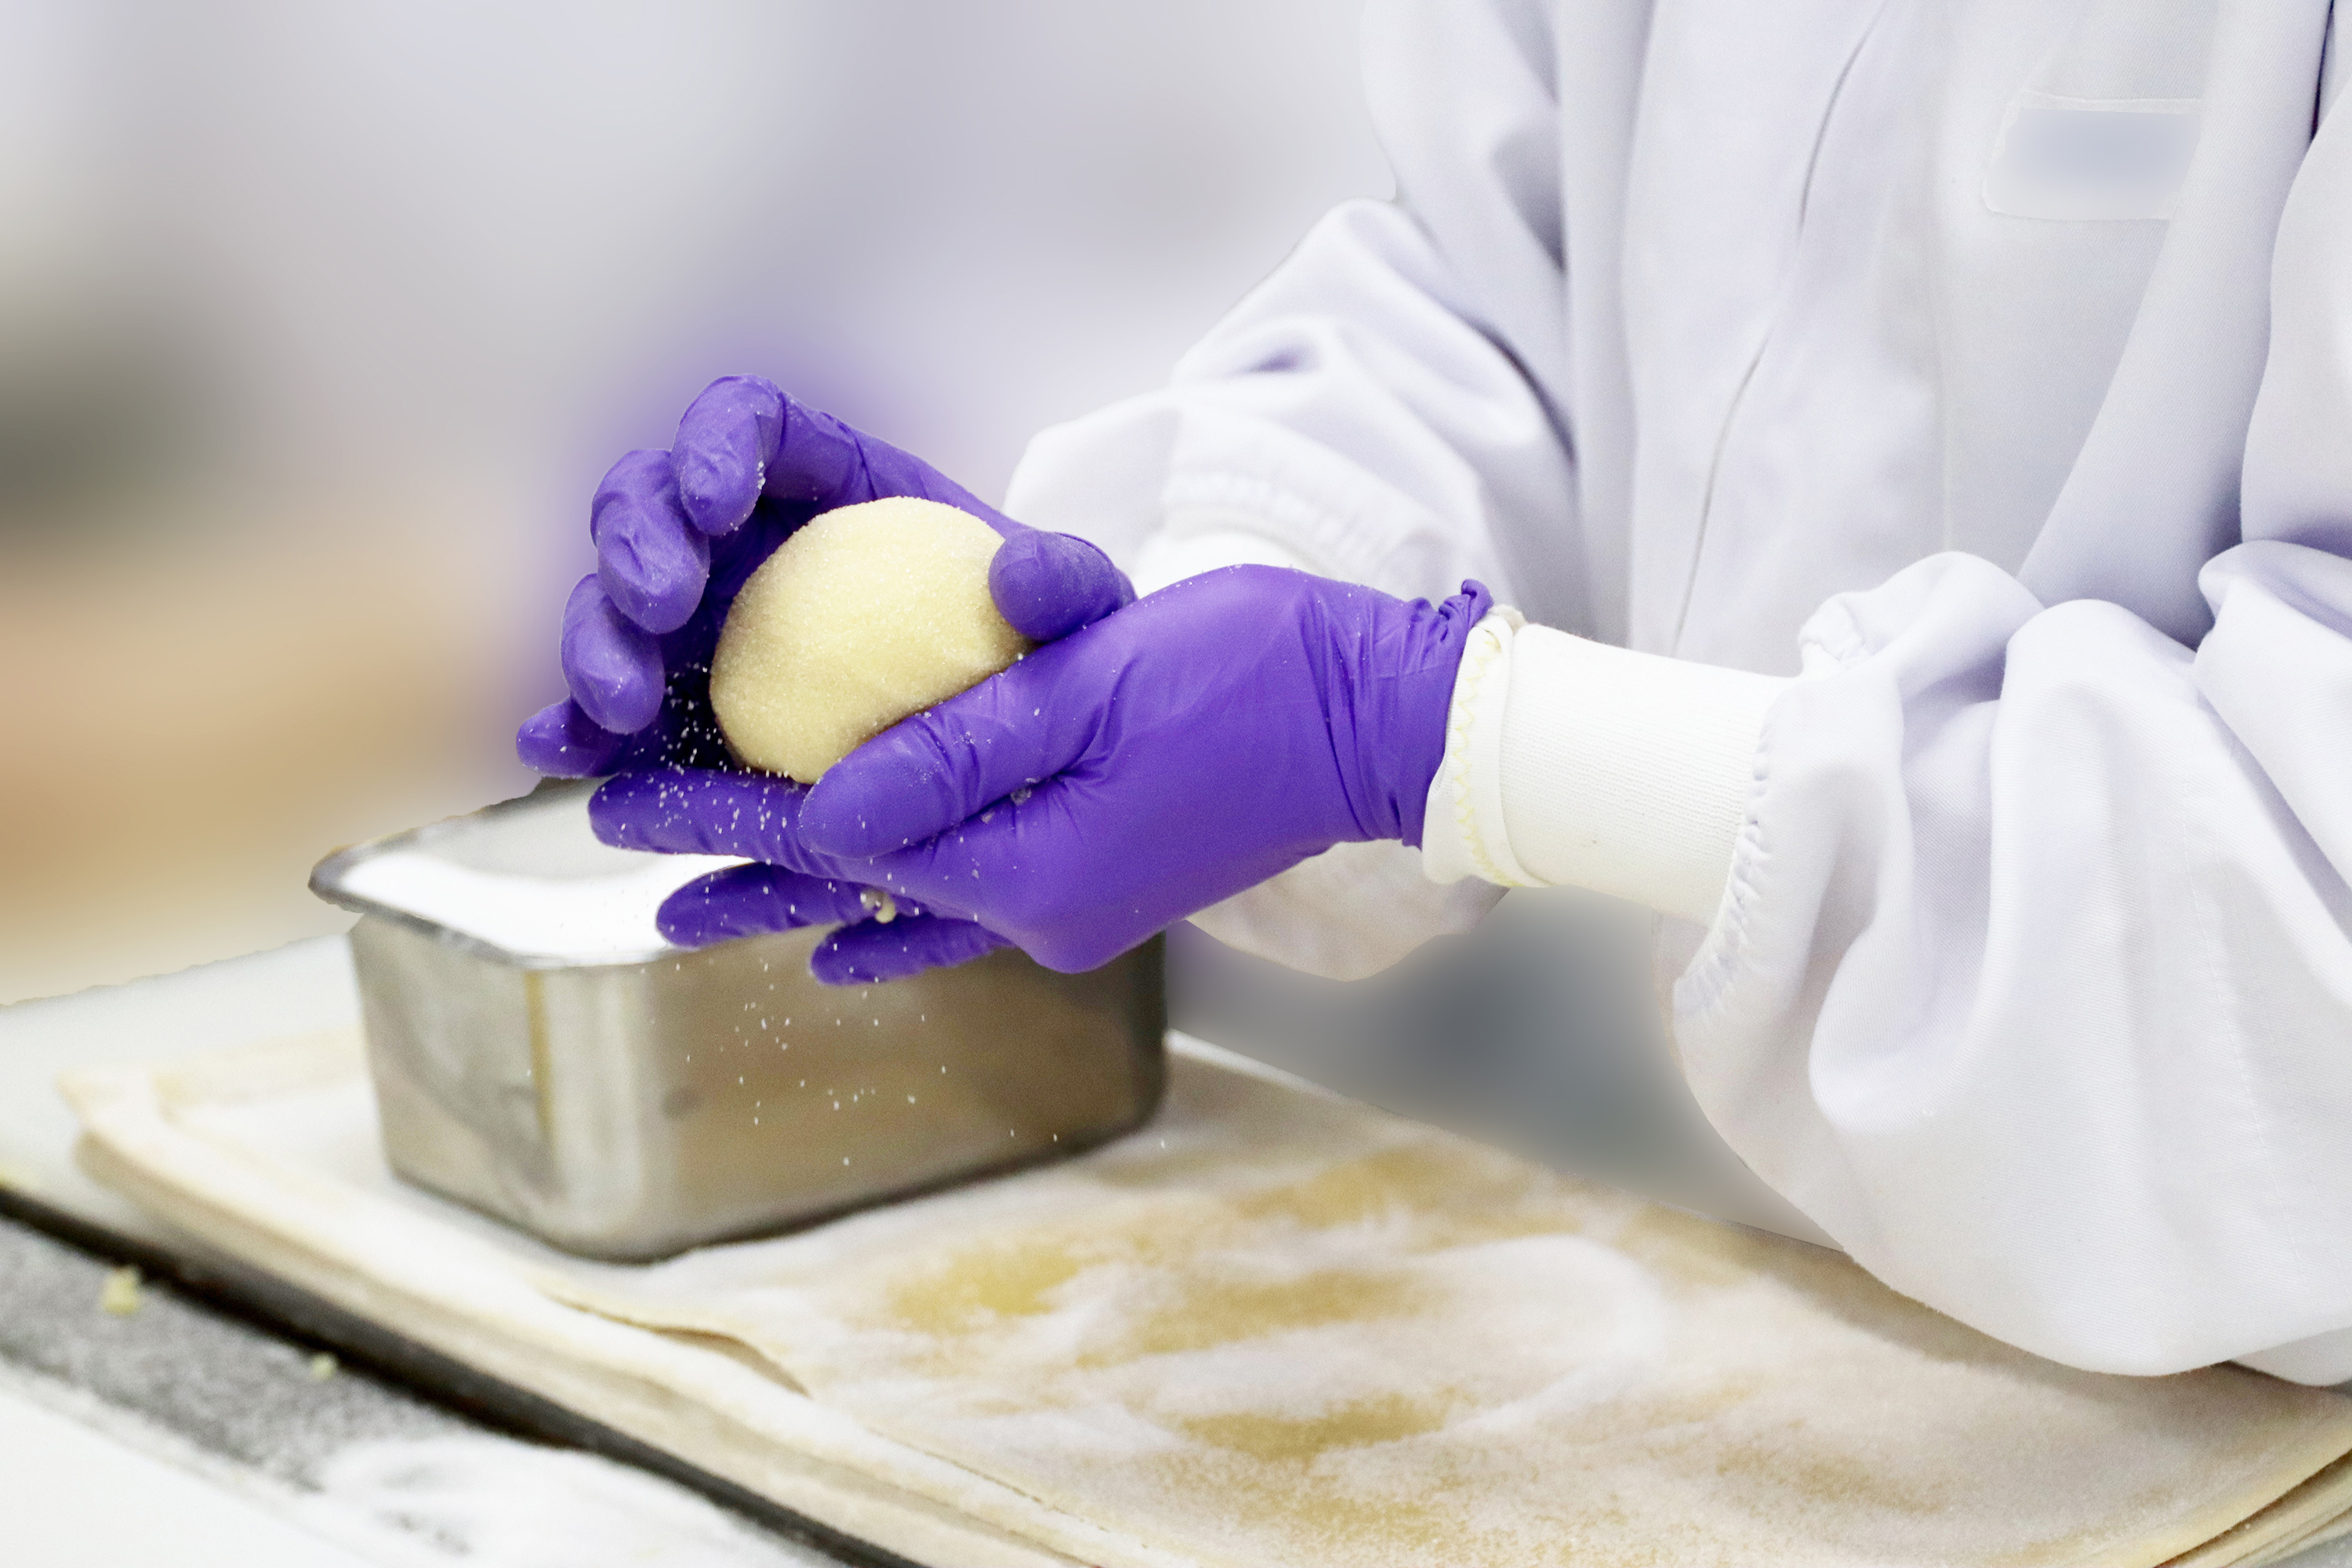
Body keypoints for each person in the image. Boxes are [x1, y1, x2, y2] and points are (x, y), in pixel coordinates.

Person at [517, 0, 2352, 1386]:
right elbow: (1503, 295)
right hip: (1800, 1346)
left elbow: (2306, 940)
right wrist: (1082, 633)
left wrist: (1438, 735)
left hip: (2262, 1420)